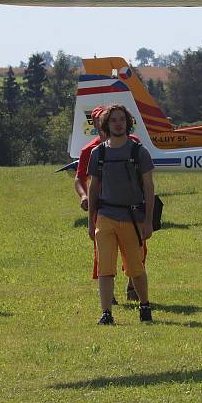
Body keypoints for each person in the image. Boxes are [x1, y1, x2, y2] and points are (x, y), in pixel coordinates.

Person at [87, 104, 155, 325]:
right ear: (106, 125)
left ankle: (144, 305)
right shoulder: (98, 153)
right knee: (105, 268)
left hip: (132, 218)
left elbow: (149, 188)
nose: (118, 123)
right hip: (105, 217)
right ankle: (106, 313)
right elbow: (93, 188)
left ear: (128, 123)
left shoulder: (138, 152)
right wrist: (91, 221)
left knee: (135, 268)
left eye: (122, 120)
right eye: (114, 120)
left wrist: (148, 221)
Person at [75, 105, 141, 302]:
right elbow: (80, 178)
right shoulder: (91, 151)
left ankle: (133, 286)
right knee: (103, 254)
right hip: (103, 208)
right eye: (97, 120)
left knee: (137, 249)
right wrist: (84, 196)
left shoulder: (134, 144)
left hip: (130, 208)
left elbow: (145, 178)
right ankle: (108, 297)